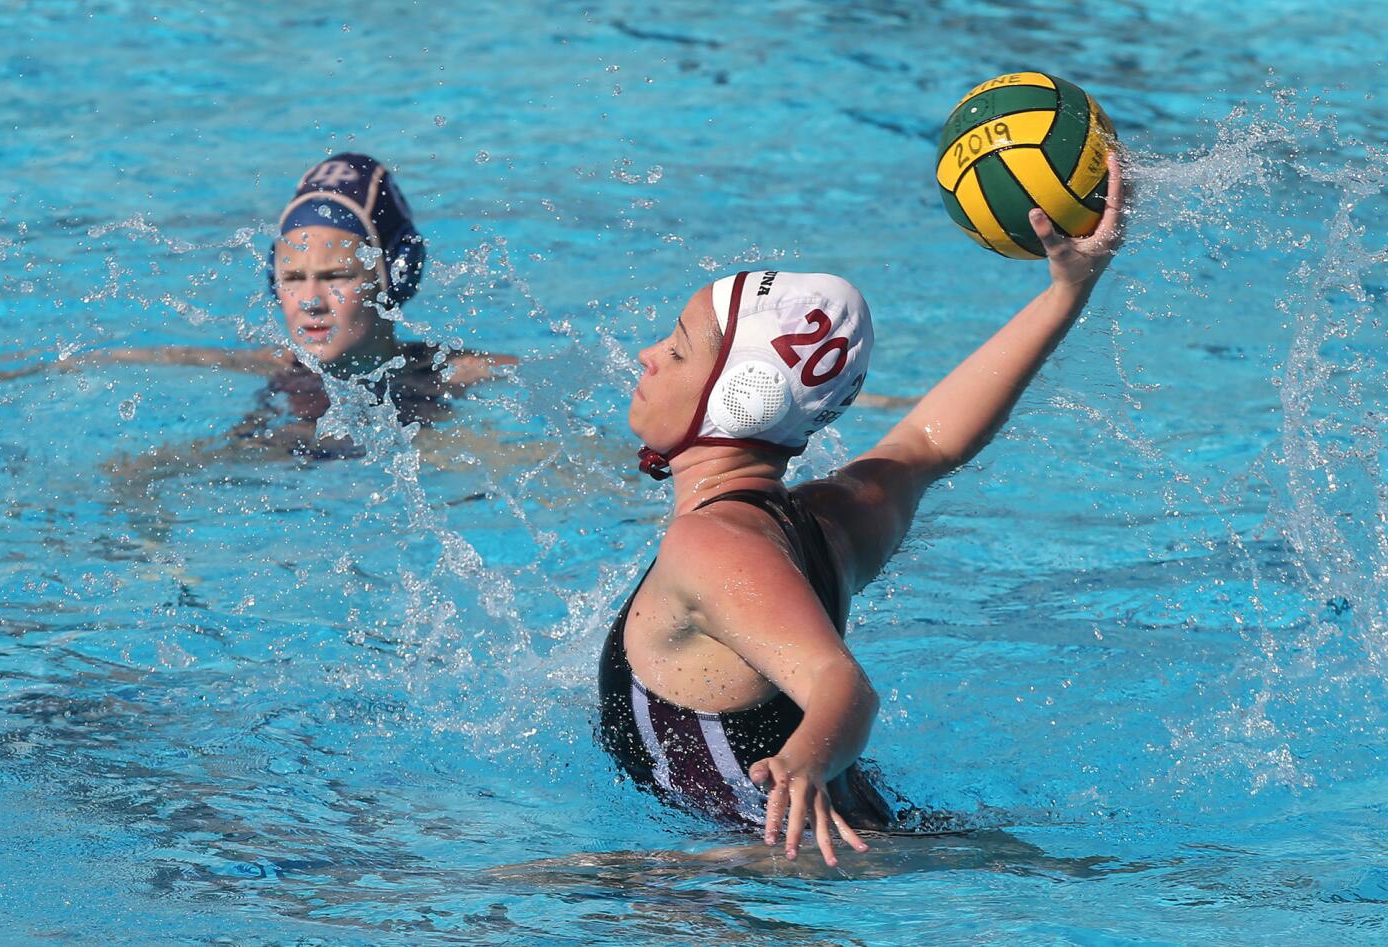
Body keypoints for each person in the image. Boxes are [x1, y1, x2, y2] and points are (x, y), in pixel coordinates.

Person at [598, 155, 1125, 866]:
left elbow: (841, 683)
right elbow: (924, 445)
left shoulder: (713, 542)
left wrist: (804, 763)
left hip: (767, 876)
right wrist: (1069, 289)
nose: (648, 354)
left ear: (739, 397)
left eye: (679, 348)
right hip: (891, 840)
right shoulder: (823, 523)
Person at [86, 152, 513, 452]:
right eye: (293, 278)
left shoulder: (445, 372)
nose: (310, 301)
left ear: (393, 276)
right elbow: (121, 358)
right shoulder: (274, 366)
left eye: (335, 276)